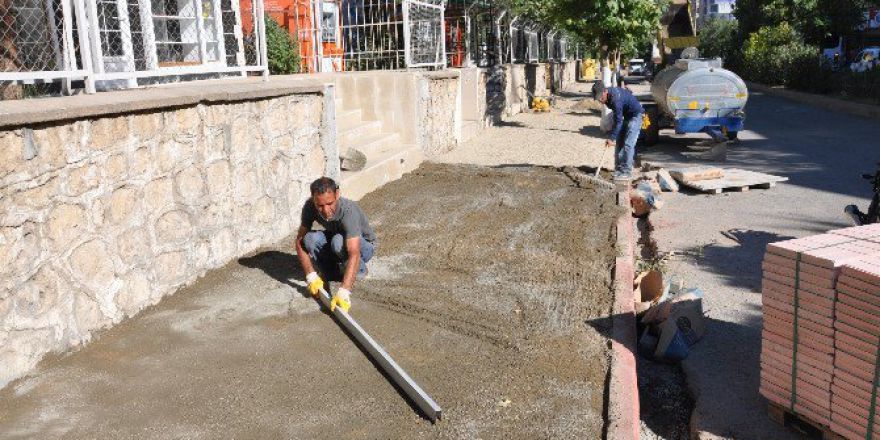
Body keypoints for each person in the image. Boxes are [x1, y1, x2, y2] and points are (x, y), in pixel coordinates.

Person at [295, 177, 376, 313]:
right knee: (309, 239)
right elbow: (299, 241)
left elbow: (354, 252)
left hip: (364, 246)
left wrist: (344, 291)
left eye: (329, 203)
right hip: (336, 238)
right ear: (313, 199)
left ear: (337, 194)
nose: (326, 210)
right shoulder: (309, 206)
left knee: (338, 242)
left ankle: (361, 271)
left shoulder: (348, 211)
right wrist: (311, 275)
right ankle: (332, 272)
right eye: (320, 205)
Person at [593, 81, 645, 181]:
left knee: (628, 144)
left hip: (636, 115)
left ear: (605, 92)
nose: (600, 100)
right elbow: (617, 117)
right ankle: (619, 169)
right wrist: (613, 136)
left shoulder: (615, 99)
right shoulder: (607, 97)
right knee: (619, 142)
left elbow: (618, 121)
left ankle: (626, 171)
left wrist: (612, 138)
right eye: (598, 98)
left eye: (601, 97)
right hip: (627, 115)